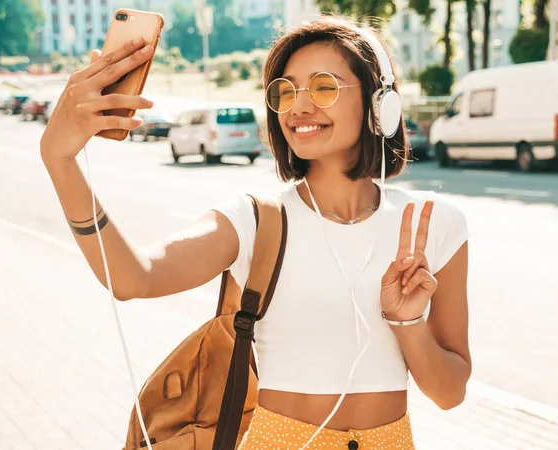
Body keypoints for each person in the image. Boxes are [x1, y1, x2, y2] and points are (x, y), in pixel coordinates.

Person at [40, 16, 470, 450]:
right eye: (285, 92)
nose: (299, 107)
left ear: (381, 103)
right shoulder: (254, 219)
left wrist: (407, 321)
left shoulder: (433, 225)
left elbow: (450, 394)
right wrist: (60, 161)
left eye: (324, 87)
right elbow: (135, 276)